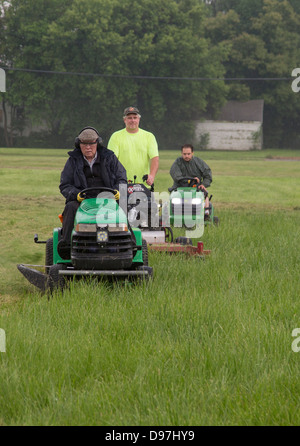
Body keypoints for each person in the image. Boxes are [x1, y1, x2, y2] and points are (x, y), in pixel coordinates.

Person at [58, 126, 127, 259]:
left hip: (109, 198)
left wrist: (118, 190)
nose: (88, 147)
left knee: (124, 207)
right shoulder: (73, 160)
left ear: (97, 143)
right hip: (82, 199)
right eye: (84, 144)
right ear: (79, 145)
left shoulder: (109, 157)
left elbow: (122, 178)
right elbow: (65, 185)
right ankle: (66, 246)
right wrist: (75, 195)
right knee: (70, 207)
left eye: (91, 143)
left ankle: (130, 244)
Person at [107, 106, 159, 186]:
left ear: (139, 119)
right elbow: (111, 160)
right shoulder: (115, 136)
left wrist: (151, 175)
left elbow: (155, 158)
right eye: (129, 118)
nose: (132, 120)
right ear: (125, 120)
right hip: (122, 183)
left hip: (144, 184)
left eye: (135, 118)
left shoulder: (149, 136)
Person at [169, 144, 212, 219]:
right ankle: (172, 214)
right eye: (184, 154)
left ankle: (206, 213)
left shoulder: (198, 162)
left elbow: (207, 175)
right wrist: (188, 180)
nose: (186, 156)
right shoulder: (177, 162)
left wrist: (203, 184)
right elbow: (176, 175)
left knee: (205, 193)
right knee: (172, 197)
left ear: (192, 153)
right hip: (180, 187)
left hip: (196, 187)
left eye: (188, 154)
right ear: (181, 153)